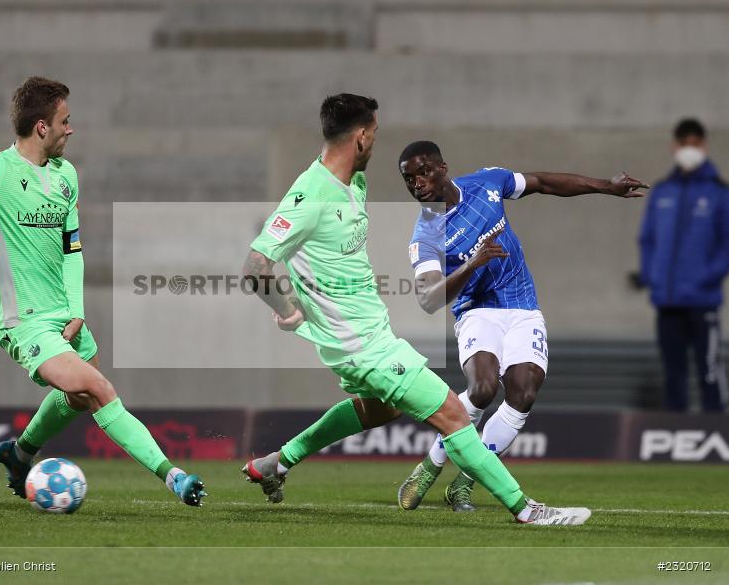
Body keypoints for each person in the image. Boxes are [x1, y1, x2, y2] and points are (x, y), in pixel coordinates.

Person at [241, 93, 590, 525]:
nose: (377, 142)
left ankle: (279, 461)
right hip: (364, 346)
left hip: (364, 337)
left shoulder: (353, 183)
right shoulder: (311, 195)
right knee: (454, 415)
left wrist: (299, 299)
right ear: (363, 136)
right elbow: (256, 266)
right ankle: (526, 510)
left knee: (377, 411)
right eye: (376, 134)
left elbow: (312, 256)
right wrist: (287, 306)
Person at [0, 76, 205, 507]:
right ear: (42, 127)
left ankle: (19, 456)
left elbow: (72, 249)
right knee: (98, 390)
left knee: (75, 397)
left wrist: (77, 309)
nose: (70, 129)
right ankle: (174, 477)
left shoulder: (66, 176)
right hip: (26, 321)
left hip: (64, 313)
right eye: (64, 121)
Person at [397, 141, 646, 512]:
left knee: (523, 392)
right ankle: (431, 464)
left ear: (442, 167)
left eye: (423, 172)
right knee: (481, 389)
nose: (417, 182)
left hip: (522, 305)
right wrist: (471, 265)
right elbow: (429, 298)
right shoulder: (425, 235)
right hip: (477, 311)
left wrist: (605, 186)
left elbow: (543, 181)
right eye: (408, 178)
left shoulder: (488, 183)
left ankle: (465, 483)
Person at [637, 118, 729, 412]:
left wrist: (706, 278)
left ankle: (716, 434)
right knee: (673, 374)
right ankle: (675, 439)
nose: (689, 150)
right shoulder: (663, 191)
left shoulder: (719, 193)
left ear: (703, 146)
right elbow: (648, 238)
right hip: (667, 300)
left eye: (695, 144)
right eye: (684, 144)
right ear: (674, 146)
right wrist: (652, 276)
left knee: (709, 370)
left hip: (703, 300)